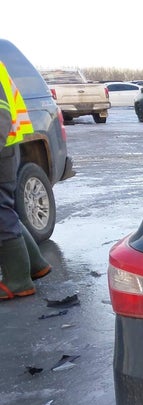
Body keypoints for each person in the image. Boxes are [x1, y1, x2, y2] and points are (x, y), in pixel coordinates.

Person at [0, 60, 51, 300]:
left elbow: (1, 113)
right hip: (7, 149)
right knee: (5, 209)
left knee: (1, 213)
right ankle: (35, 265)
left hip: (3, 151)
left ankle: (18, 281)